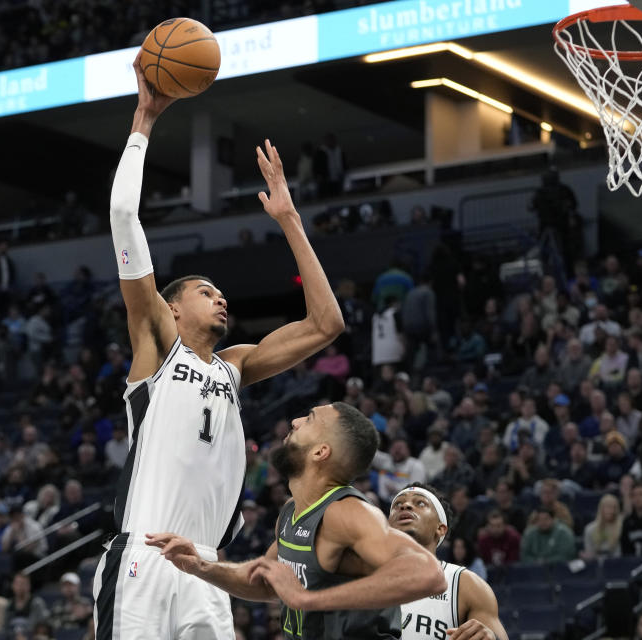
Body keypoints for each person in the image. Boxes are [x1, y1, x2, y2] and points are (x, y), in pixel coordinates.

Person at [95, 52, 346, 640]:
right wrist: (144, 120)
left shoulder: (235, 366)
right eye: (207, 292)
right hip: (144, 556)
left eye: (223, 294)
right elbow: (122, 212)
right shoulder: (157, 345)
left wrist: (289, 220)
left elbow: (326, 324)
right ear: (173, 306)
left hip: (206, 566)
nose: (221, 300)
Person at [147, 403, 446, 640]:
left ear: (320, 452)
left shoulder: (347, 512)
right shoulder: (292, 510)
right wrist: (200, 566)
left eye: (310, 419)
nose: (295, 421)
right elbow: (266, 584)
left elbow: (429, 575)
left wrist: (306, 600)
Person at [387, 483, 508, 640]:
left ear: (440, 528)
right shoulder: (359, 577)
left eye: (420, 503)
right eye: (397, 504)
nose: (405, 506)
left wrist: (491, 638)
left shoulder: (467, 585)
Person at [582, 494, 623, 560]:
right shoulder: (589, 529)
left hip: (616, 564)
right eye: (608, 507)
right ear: (601, 509)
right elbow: (589, 553)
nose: (611, 511)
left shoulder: (621, 528)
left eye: (614, 507)